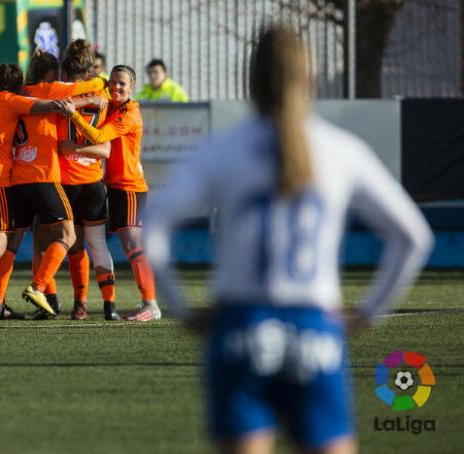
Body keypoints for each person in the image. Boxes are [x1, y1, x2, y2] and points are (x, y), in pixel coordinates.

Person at [144, 25, 433, 454]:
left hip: (240, 326)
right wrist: (369, 314)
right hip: (314, 329)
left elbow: (152, 227)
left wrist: (184, 310)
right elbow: (413, 236)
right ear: (310, 79)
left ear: (251, 82)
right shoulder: (339, 149)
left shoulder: (225, 149)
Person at [0, 48, 108, 320]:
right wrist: (100, 87)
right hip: (43, 176)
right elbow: (80, 89)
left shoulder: (19, 93)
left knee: (14, 243)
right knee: (69, 237)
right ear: (53, 74)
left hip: (17, 178)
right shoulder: (50, 90)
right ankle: (39, 288)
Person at [0, 63, 72, 321]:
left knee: (3, 244)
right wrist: (66, 105)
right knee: (0, 244)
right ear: (18, 86)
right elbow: (44, 105)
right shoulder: (11, 101)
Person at [64, 65, 160, 322]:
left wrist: (74, 118)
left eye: (122, 84)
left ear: (132, 88)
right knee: (129, 245)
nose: (117, 87)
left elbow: (98, 136)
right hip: (116, 186)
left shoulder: (129, 114)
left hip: (130, 187)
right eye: (114, 83)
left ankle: (151, 304)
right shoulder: (113, 105)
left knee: (133, 243)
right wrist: (91, 97)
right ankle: (146, 303)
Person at [56, 39, 118, 320]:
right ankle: (109, 304)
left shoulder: (61, 92)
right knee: (97, 244)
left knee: (74, 245)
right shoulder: (102, 90)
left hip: (66, 181)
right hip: (92, 179)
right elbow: (105, 148)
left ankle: (80, 303)